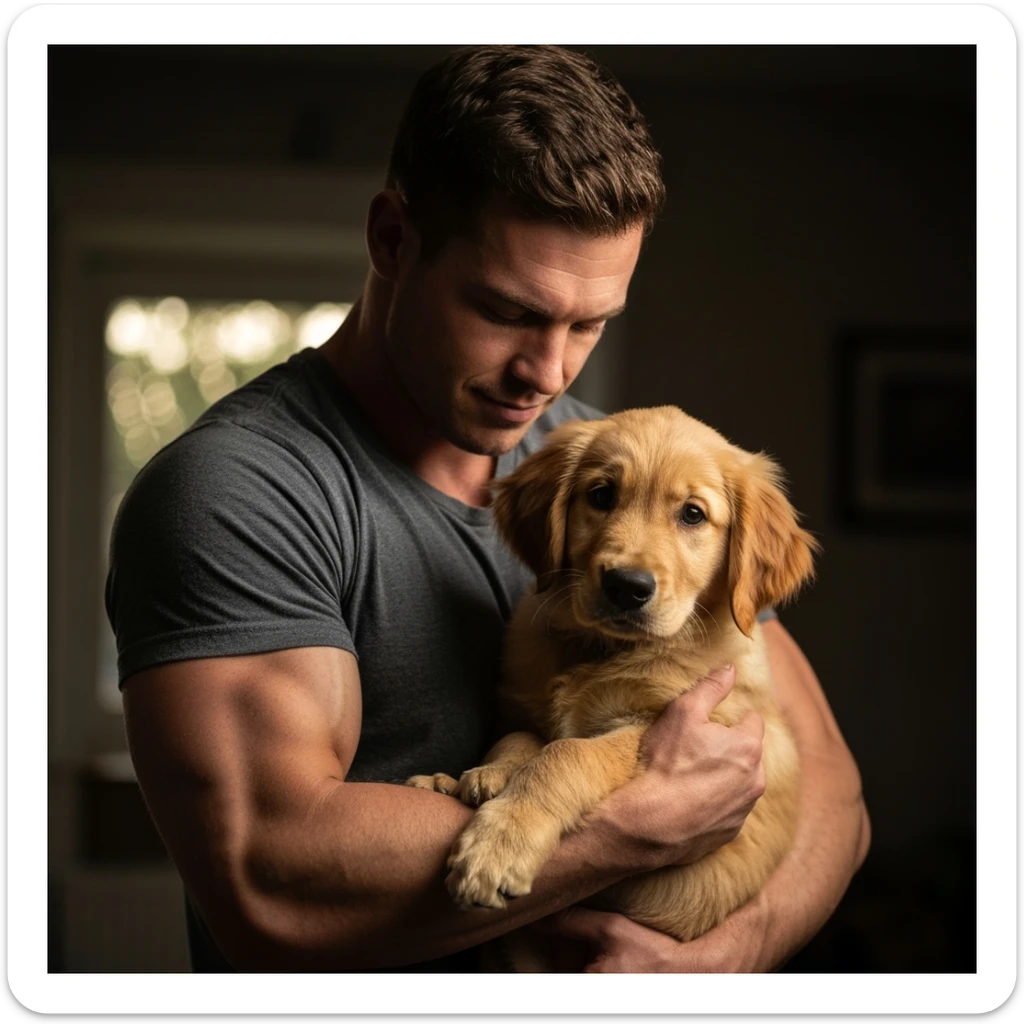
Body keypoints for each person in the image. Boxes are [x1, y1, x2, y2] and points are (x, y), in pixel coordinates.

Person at [106, 45, 869, 974]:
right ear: (392, 239)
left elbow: (829, 785)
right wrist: (625, 827)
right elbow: (270, 879)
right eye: (508, 310)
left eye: (588, 324)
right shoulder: (241, 492)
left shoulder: (595, 455)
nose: (546, 374)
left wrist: (716, 962)